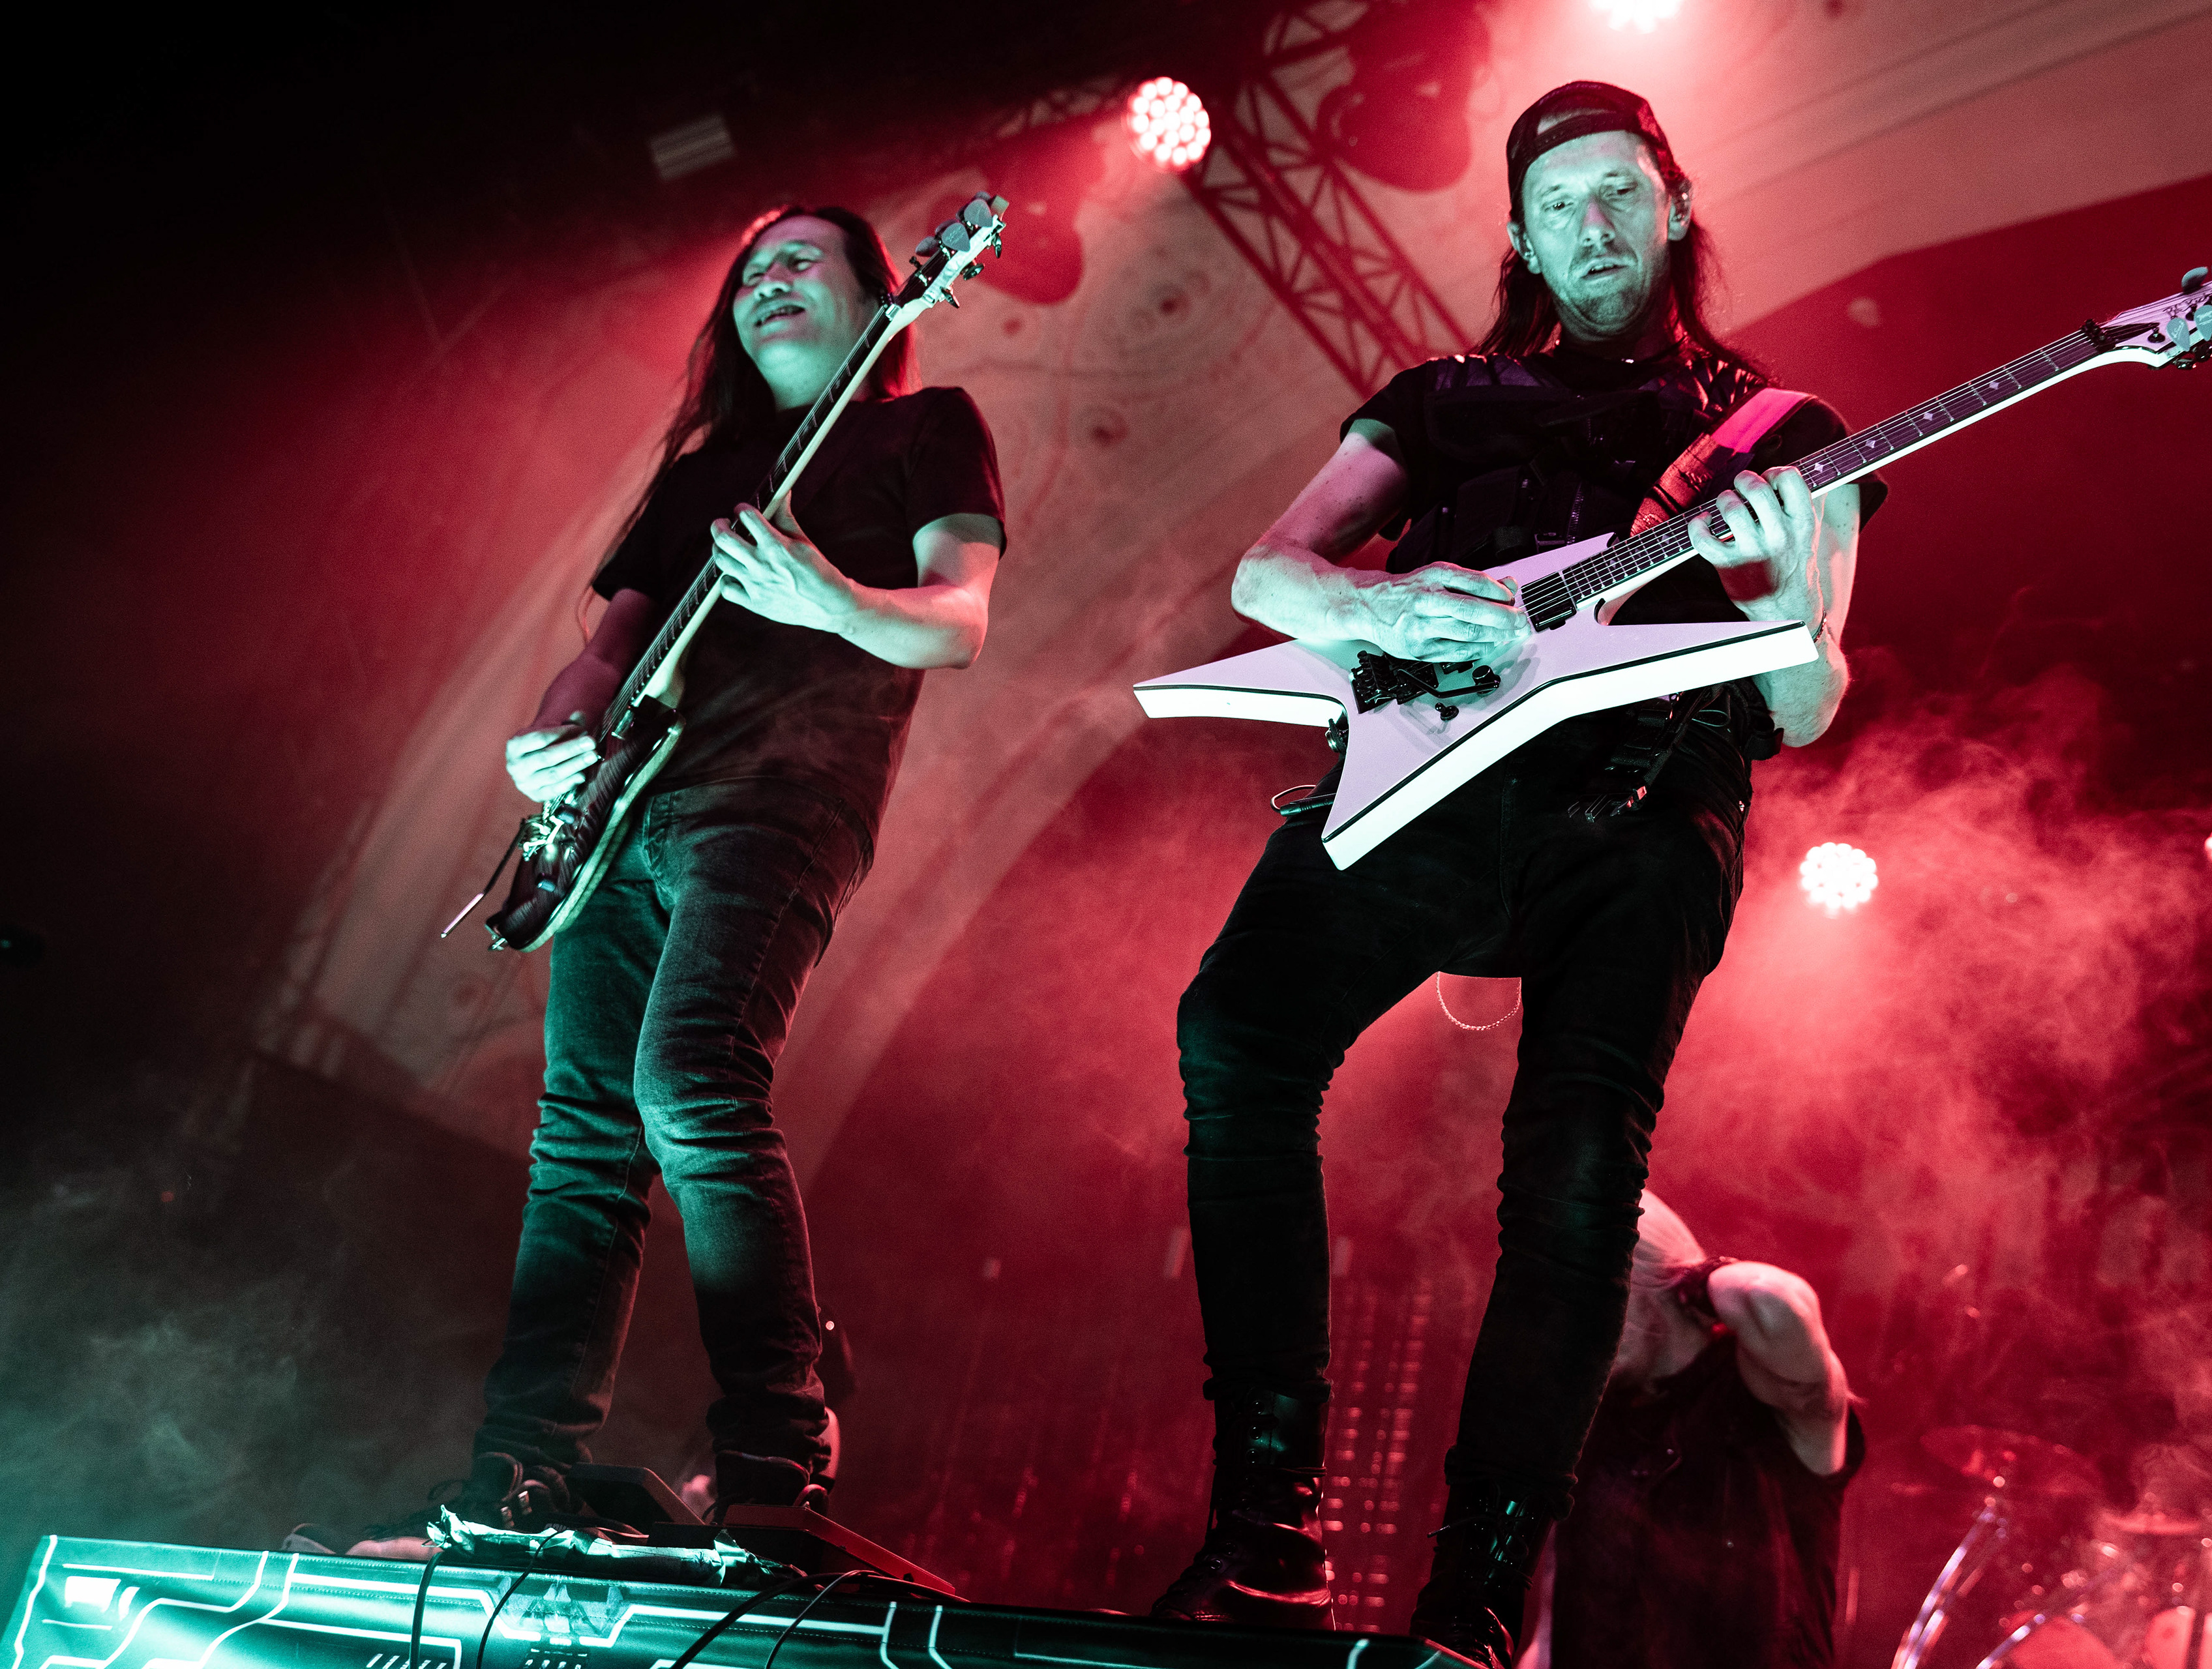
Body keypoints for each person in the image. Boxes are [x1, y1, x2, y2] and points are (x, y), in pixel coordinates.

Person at [1148, 82, 1883, 1666]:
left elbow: (1808, 702)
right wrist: (1384, 609)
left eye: (1620, 192)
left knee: (1575, 1173)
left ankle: (1478, 1592)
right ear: (1519, 240)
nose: (1592, 225)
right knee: (1235, 1033)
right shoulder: (1438, 399)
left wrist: (1773, 591)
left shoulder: (1782, 427)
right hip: (1431, 775)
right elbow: (1269, 572)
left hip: (1652, 799)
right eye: (1561, 205)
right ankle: (1265, 1526)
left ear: (1674, 208)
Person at [340, 203, 1007, 1553]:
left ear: (883, 294)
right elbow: (609, 648)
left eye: (801, 259)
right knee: (581, 1139)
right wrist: (549, 739)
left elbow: (960, 620)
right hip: (623, 816)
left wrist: (831, 598)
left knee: (693, 1079)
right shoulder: (706, 471)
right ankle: (515, 1471)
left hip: (782, 799)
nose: (769, 281)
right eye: (750, 269)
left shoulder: (929, 428)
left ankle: (775, 1455)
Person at [1519, 1192, 1861, 1669]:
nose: (1560, 1329)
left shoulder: (1766, 1400)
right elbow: (1552, 1633)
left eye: (1579, 1296)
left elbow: (1778, 1302)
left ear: (1648, 1280)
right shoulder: (1591, 1422)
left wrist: (1698, 1277)